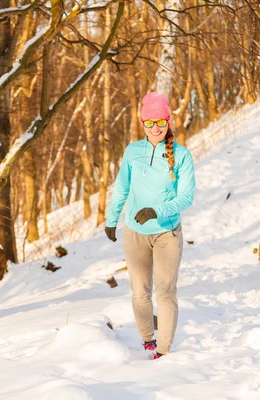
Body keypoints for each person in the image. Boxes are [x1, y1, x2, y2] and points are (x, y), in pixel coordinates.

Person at [104, 92, 196, 360]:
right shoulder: (133, 151)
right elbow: (122, 187)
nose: (155, 128)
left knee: (165, 293)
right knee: (140, 293)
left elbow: (186, 196)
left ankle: (163, 350)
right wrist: (112, 220)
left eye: (160, 122)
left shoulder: (181, 155)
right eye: (149, 122)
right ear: (142, 123)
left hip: (167, 233)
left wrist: (157, 210)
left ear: (168, 122)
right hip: (135, 233)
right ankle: (147, 338)